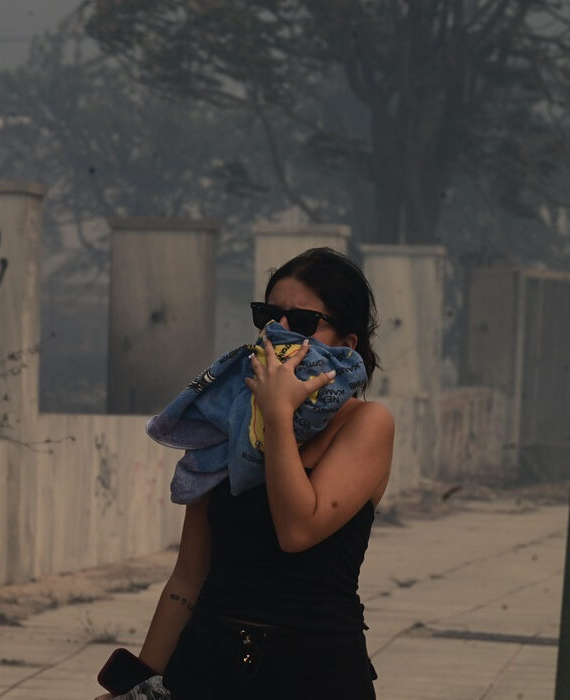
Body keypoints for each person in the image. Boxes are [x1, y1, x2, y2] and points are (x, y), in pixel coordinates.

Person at [98, 248, 393, 699]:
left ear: (346, 345)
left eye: (304, 322)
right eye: (270, 315)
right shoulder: (228, 419)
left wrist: (276, 417)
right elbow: (188, 577)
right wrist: (138, 686)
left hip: (316, 671)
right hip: (208, 666)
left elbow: (297, 529)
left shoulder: (365, 425)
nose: (280, 333)